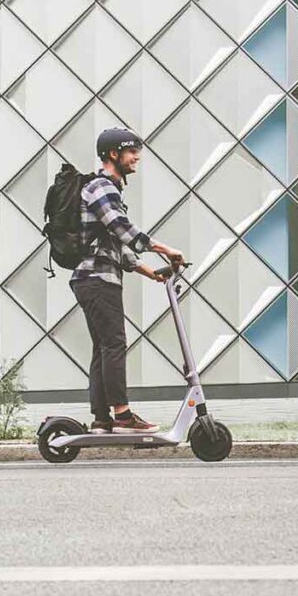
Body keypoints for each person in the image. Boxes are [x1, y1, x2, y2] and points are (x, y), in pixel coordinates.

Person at [70, 127, 184, 434]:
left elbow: (116, 246)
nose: (137, 157)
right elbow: (122, 228)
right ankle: (122, 415)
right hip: (97, 279)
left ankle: (101, 419)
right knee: (114, 344)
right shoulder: (101, 187)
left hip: (93, 278)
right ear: (112, 154)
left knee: (104, 347)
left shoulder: (108, 189)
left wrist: (151, 273)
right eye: (131, 151)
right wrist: (165, 248)